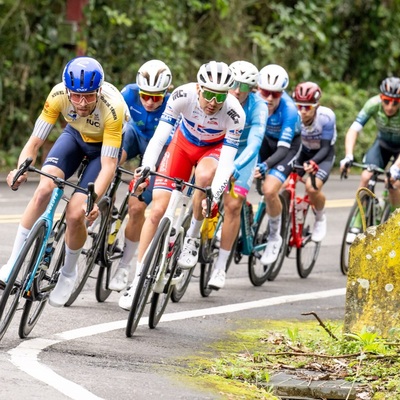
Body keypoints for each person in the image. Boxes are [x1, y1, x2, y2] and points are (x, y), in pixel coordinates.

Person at [1, 56, 128, 307]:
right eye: (76, 96)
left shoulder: (113, 107)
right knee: (43, 189)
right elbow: (35, 142)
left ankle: (68, 272)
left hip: (103, 150)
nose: (82, 103)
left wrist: (93, 202)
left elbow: (109, 166)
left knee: (75, 213)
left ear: (99, 91)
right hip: (75, 136)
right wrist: (19, 169)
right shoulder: (58, 94)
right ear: (67, 91)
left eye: (89, 96)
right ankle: (13, 261)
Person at [118, 61, 245, 310]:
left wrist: (215, 195)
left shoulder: (234, 113)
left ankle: (193, 237)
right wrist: (146, 167)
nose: (212, 102)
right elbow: (159, 137)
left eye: (219, 96)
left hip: (213, 150)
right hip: (182, 146)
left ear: (227, 95)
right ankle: (138, 280)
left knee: (205, 178)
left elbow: (227, 162)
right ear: (198, 88)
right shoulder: (181, 95)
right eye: (208, 94)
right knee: (156, 210)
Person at [108, 60, 173, 292]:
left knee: (136, 207)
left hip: (159, 150)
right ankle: (106, 205)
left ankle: (124, 267)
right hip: (135, 138)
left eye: (157, 97)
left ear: (166, 93)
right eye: (145, 95)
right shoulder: (128, 93)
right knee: (110, 162)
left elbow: (167, 151)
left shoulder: (173, 105)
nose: (149, 102)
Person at [207, 60, 268, 290]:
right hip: (220, 147)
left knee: (232, 204)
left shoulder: (258, 106)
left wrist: (236, 167)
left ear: (251, 89)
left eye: (243, 87)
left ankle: (220, 267)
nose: (237, 90)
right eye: (234, 83)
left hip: (244, 154)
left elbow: (254, 143)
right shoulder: (219, 97)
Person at [340, 77, 400, 239]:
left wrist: (395, 169)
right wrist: (348, 155)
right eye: (387, 101)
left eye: (395, 103)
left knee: (393, 182)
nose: (390, 107)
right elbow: (353, 130)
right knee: (366, 176)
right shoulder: (373, 104)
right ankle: (359, 219)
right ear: (381, 98)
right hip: (383, 145)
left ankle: (396, 221)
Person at [254, 64, 301, 265]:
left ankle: (275, 237)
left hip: (287, 148)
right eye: (266, 92)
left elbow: (282, 150)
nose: (270, 98)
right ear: (257, 89)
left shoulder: (289, 110)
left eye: (276, 94)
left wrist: (264, 166)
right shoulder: (253, 103)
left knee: (269, 190)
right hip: (264, 142)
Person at [292, 81, 337, 242]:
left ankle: (320, 218)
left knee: (312, 188)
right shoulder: (293, 115)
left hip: (323, 154)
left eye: (308, 107)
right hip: (303, 151)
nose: (302, 111)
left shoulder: (326, 117)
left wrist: (313, 163)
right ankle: (284, 220)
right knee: (284, 185)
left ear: (316, 106)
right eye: (299, 106)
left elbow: (325, 148)